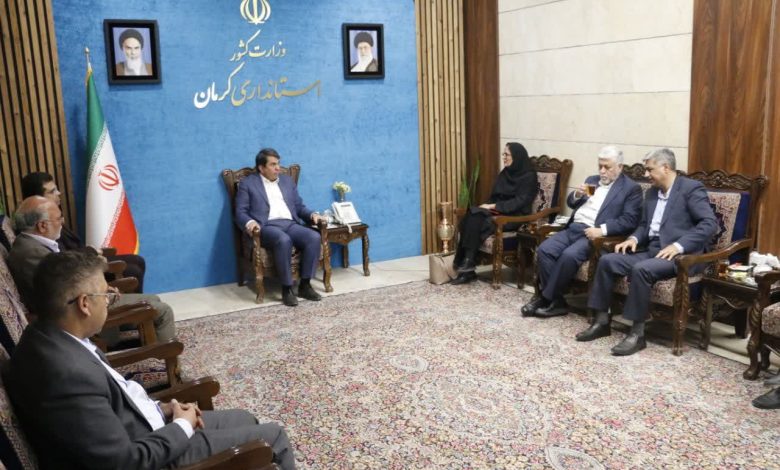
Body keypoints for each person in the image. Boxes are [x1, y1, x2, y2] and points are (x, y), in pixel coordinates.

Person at [4, 250, 296, 469]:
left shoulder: (50, 336)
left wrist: (162, 407)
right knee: (274, 438)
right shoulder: (65, 374)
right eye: (105, 295)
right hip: (156, 453)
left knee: (245, 418)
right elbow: (124, 462)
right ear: (84, 304)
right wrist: (181, 426)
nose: (110, 300)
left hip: (147, 424)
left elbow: (112, 398)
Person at [575, 148, 717, 356]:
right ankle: (601, 322)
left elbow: (709, 224)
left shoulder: (690, 189)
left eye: (649, 169)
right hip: (651, 249)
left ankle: (637, 334)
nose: (645, 174)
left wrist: (679, 246)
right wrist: (633, 239)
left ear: (665, 167)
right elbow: (644, 225)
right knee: (608, 261)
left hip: (680, 256)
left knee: (641, 269)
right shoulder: (651, 192)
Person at [8, 196, 175, 344]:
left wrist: (102, 287)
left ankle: (152, 345)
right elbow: (64, 290)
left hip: (84, 300)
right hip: (80, 312)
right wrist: (101, 291)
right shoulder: (32, 253)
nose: (62, 222)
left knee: (154, 299)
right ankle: (165, 357)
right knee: (163, 311)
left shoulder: (30, 245)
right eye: (59, 218)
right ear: (43, 225)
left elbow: (68, 278)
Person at [522, 146, 642, 317]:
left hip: (593, 235)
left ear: (620, 167)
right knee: (545, 250)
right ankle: (557, 302)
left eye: (607, 167)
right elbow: (573, 203)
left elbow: (629, 220)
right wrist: (577, 195)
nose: (602, 171)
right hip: (573, 228)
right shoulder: (592, 180)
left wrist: (601, 230)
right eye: (600, 166)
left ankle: (544, 298)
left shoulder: (630, 189)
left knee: (569, 256)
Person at [21, 171, 147, 292]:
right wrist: (92, 252)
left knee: (138, 261)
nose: (59, 193)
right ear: (38, 198)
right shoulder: (42, 224)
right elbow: (62, 260)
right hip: (76, 273)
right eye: (52, 191)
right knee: (133, 270)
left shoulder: (51, 216)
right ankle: (133, 305)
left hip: (81, 262)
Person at [235, 148, 325, 307]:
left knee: (313, 237)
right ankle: (287, 289)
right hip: (266, 226)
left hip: (290, 224)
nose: (278, 168)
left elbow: (299, 206)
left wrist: (312, 215)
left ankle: (305, 286)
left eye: (278, 163)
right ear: (261, 168)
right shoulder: (247, 184)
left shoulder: (287, 181)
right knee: (283, 240)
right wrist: (250, 223)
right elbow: (240, 212)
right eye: (273, 164)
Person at [451, 142, 538, 285]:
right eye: (503, 154)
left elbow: (520, 202)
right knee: (472, 215)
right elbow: (495, 195)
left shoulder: (529, 177)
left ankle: (467, 267)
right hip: (497, 211)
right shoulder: (506, 173)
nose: (504, 157)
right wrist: (488, 208)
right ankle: (468, 266)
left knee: (479, 220)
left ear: (517, 156)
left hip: (515, 216)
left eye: (507, 155)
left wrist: (492, 206)